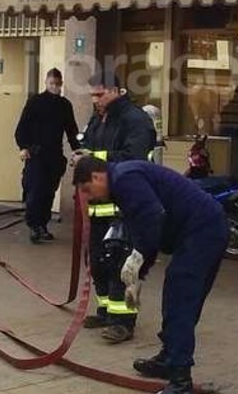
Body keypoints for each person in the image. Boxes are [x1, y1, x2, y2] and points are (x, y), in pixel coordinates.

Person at [72, 156, 226, 394]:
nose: (89, 196)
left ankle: (180, 379)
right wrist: (138, 275)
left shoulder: (124, 179)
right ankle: (169, 358)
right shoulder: (123, 181)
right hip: (203, 229)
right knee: (179, 298)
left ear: (97, 176)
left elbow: (152, 217)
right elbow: (143, 225)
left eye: (87, 189)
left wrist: (139, 259)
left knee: (180, 301)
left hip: (202, 232)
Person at [76, 71, 155, 343]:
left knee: (122, 266)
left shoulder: (136, 120)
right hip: (99, 205)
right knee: (97, 262)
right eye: (93, 96)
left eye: (100, 95)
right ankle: (107, 311)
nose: (95, 100)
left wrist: (93, 158)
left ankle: (125, 322)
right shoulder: (99, 117)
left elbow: (134, 158)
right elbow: (86, 143)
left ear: (116, 91)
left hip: (125, 205)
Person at [14, 68, 80, 243]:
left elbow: (71, 131)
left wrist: (78, 151)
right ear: (46, 83)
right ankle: (34, 226)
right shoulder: (35, 102)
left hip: (54, 156)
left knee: (49, 192)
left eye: (58, 85)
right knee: (35, 191)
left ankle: (42, 224)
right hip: (36, 155)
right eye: (52, 84)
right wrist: (23, 147)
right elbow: (22, 128)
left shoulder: (65, 105)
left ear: (61, 84)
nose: (55, 88)